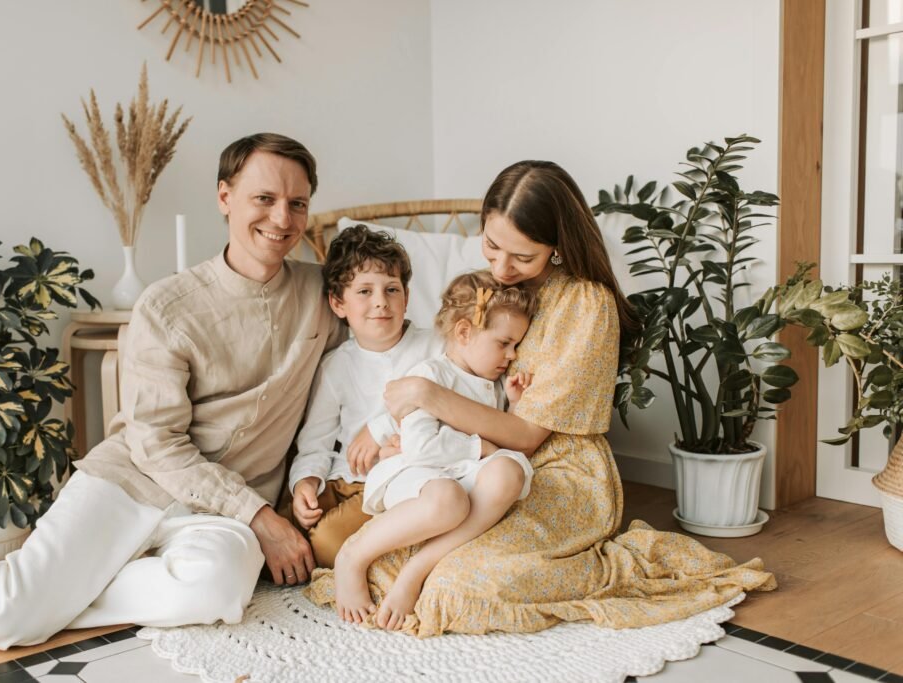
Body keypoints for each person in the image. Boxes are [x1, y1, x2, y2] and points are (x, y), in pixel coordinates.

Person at [0, 133, 346, 649]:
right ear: (224, 197)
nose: (282, 219)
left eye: (297, 203)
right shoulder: (167, 305)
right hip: (134, 482)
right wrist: (261, 518)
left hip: (221, 514)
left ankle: (51, 599)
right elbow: (157, 445)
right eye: (265, 198)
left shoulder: (325, 295)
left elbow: (392, 343)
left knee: (218, 591)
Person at [305, 160, 775, 636]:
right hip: (478, 460)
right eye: (491, 246)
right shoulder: (494, 291)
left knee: (460, 587)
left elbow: (527, 435)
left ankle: (420, 569)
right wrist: (396, 425)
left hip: (556, 469)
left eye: (522, 257)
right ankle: (403, 564)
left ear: (556, 248)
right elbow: (452, 368)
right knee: (399, 540)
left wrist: (426, 396)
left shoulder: (586, 305)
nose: (501, 268)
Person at [334, 271, 537, 629]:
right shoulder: (429, 375)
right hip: (418, 474)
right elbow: (423, 447)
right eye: (504, 343)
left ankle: (418, 568)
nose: (512, 355)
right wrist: (480, 447)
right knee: (449, 499)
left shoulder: (496, 383)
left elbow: (501, 443)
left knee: (510, 472)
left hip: (460, 474)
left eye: (516, 346)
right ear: (464, 332)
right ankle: (353, 556)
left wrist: (515, 408)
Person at [286, 225, 440, 569]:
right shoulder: (336, 365)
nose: (381, 302)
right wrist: (306, 484)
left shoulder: (434, 347)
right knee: (287, 524)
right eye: (365, 291)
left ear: (407, 297)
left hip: (397, 481)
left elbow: (449, 404)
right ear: (338, 303)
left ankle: (381, 550)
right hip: (344, 478)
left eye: (391, 289)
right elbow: (316, 443)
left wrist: (383, 431)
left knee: (327, 545)